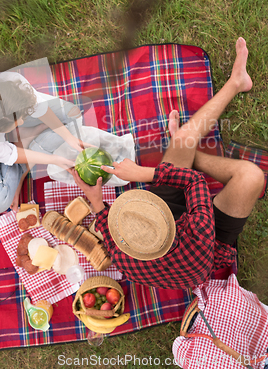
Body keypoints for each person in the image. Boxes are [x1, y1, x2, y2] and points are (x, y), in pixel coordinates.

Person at [71, 38, 266, 289]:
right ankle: (191, 143)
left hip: (174, 229)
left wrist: (96, 201)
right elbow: (194, 181)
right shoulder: (199, 232)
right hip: (206, 242)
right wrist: (145, 174)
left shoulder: (125, 258)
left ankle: (237, 83)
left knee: (185, 140)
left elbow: (109, 236)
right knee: (252, 176)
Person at [0, 70, 86, 214]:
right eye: (19, 121)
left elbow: (40, 107)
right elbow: (11, 155)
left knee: (72, 115)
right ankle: (23, 148)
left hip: (2, 120)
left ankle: (24, 139)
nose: (24, 120)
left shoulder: (11, 83)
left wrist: (69, 137)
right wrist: (55, 159)